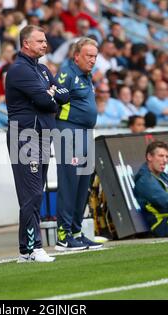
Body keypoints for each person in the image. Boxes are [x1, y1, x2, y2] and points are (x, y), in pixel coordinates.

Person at [5, 25, 69, 263]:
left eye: (45, 40)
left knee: (35, 194)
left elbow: (63, 95)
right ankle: (34, 248)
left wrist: (51, 94)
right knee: (31, 194)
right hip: (25, 135)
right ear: (26, 44)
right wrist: (50, 95)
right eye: (40, 41)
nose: (45, 44)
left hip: (41, 134)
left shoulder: (41, 69)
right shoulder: (19, 70)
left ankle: (25, 250)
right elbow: (45, 99)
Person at [54, 37, 102, 251]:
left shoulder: (86, 76)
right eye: (88, 56)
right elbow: (53, 98)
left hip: (85, 133)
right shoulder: (67, 73)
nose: (92, 60)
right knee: (69, 181)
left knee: (84, 182)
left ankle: (76, 231)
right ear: (76, 56)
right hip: (68, 131)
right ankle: (63, 235)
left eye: (95, 56)